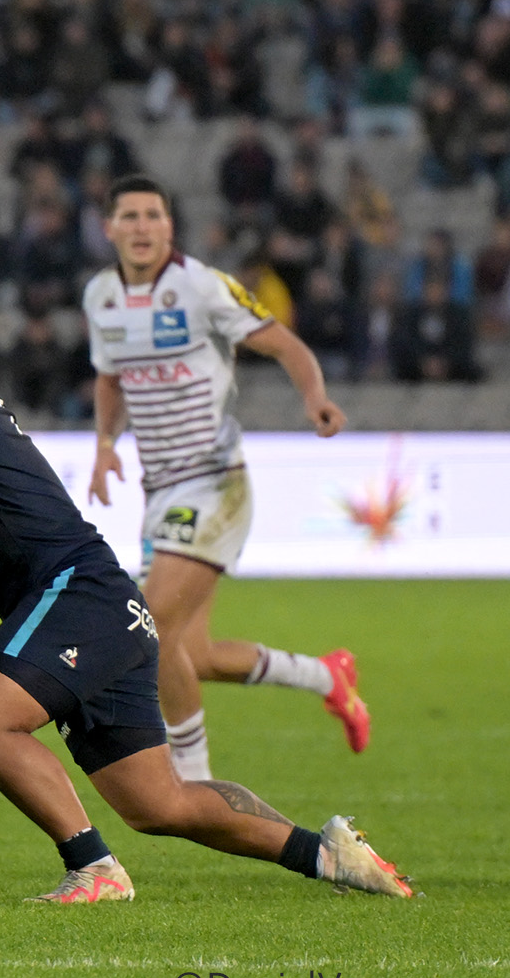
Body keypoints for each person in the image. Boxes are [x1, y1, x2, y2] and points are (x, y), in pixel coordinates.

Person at [0, 313, 414, 903]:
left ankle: (94, 868)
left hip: (77, 592)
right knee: (157, 803)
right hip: (95, 609)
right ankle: (327, 853)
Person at [83, 174, 368, 783]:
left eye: (153, 215)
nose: (141, 227)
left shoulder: (202, 286)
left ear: (170, 226)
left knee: (149, 627)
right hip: (160, 492)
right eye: (129, 216)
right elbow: (109, 377)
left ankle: (193, 782)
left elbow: (287, 345)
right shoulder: (100, 296)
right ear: (109, 228)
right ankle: (327, 677)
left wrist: (315, 398)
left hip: (214, 482)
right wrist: (106, 445)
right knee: (195, 655)